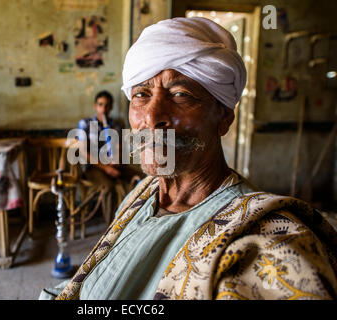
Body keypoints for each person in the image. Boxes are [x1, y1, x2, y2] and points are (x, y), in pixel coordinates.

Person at [41, 17, 337, 300]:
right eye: (141, 94)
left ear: (224, 118)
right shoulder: (143, 193)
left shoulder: (266, 240)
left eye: (180, 94)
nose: (151, 117)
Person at [77, 90, 142, 225]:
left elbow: (118, 148)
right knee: (109, 188)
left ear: (111, 107)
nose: (103, 109)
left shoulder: (116, 125)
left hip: (113, 165)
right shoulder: (85, 124)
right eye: (100, 105)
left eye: (107, 105)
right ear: (95, 106)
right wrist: (106, 168)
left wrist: (117, 161)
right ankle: (110, 227)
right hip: (93, 167)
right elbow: (83, 152)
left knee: (143, 181)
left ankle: (134, 221)